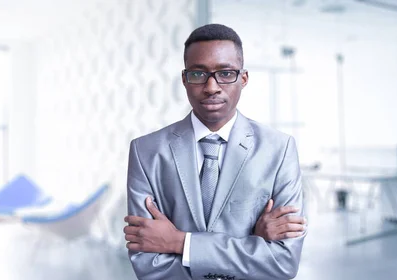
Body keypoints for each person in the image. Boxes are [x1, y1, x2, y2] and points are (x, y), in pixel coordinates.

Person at [123, 23, 306, 280]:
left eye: (226, 73)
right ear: (184, 79)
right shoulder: (146, 151)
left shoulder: (279, 149)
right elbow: (148, 264)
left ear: (243, 78)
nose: (211, 87)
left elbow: (283, 263)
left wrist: (180, 243)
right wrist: (253, 243)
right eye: (198, 74)